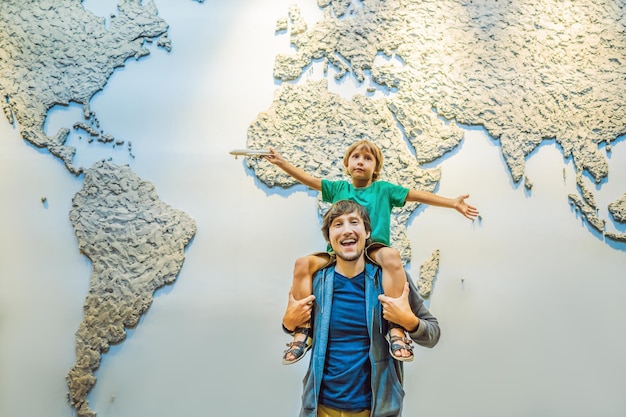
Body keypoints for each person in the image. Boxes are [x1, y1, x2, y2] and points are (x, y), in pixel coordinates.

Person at [265, 139, 477, 364]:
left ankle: (396, 328)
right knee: (302, 263)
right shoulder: (338, 188)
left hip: (374, 249)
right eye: (356, 157)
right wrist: (281, 163)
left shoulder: (384, 189)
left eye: (368, 159)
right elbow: (307, 179)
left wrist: (452, 203)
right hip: (338, 254)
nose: (361, 162)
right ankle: (302, 331)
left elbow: (419, 195)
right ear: (347, 164)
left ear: (376, 168)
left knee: (391, 255)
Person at [282, 199, 441, 417]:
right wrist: (288, 324)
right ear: (329, 238)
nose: (347, 230)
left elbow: (432, 333)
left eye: (354, 222)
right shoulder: (317, 281)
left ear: (366, 232)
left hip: (375, 410)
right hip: (319, 408)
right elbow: (294, 322)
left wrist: (409, 322)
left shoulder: (388, 279)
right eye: (337, 224)